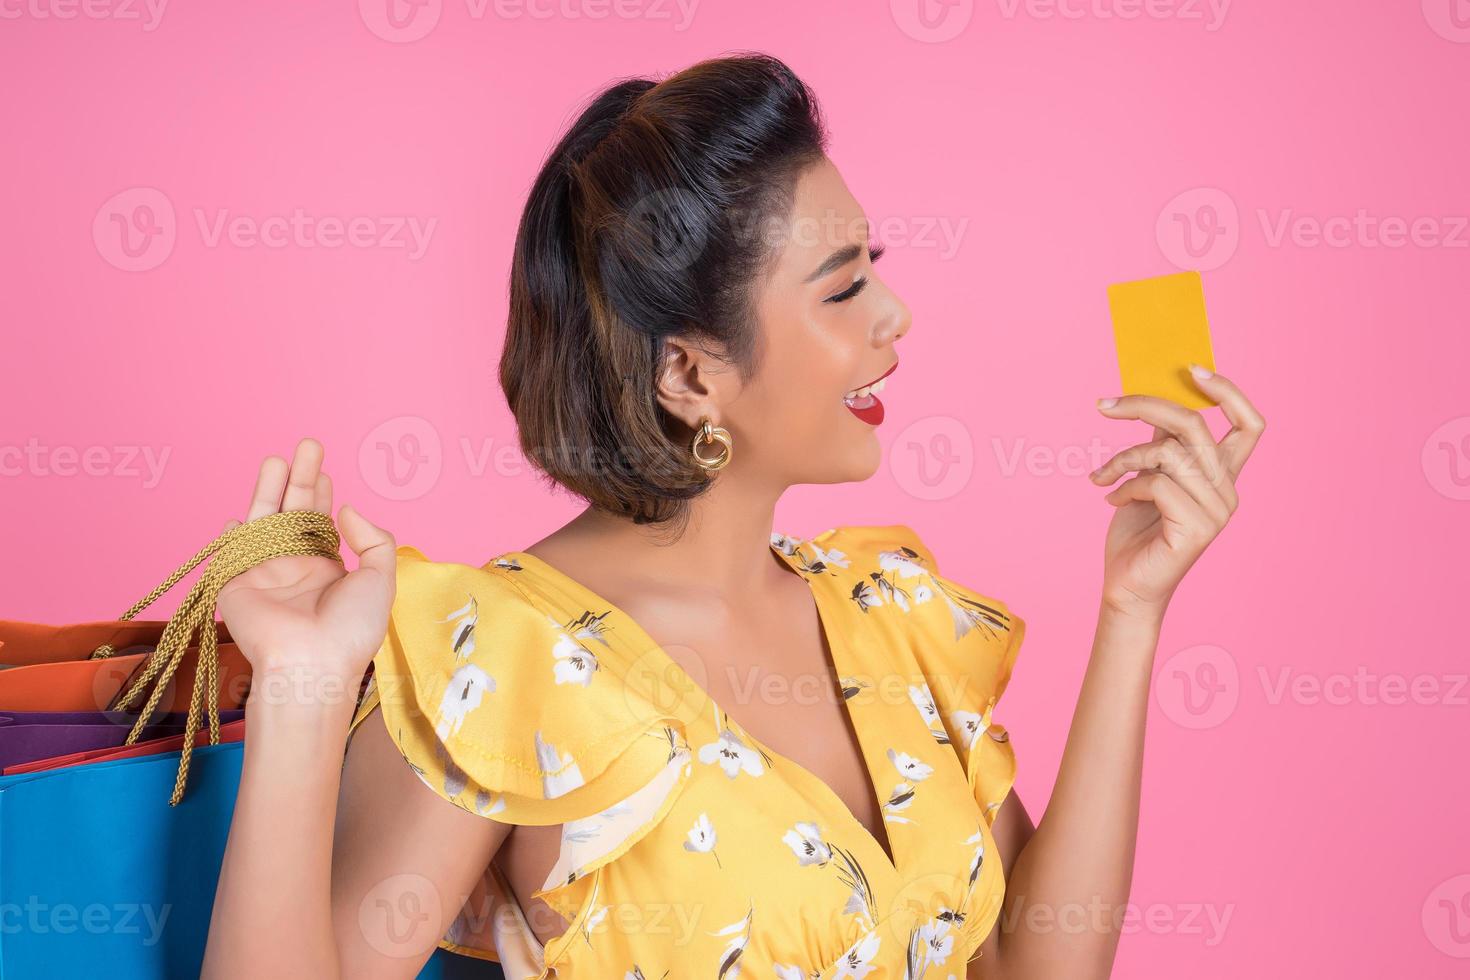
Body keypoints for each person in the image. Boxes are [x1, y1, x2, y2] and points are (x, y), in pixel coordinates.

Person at [201, 53, 1264, 980]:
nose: (895, 317)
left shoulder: (893, 615)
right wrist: (302, 687)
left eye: (873, 274)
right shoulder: (512, 658)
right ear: (691, 373)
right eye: (843, 290)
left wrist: (1134, 605)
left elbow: (1037, 962)